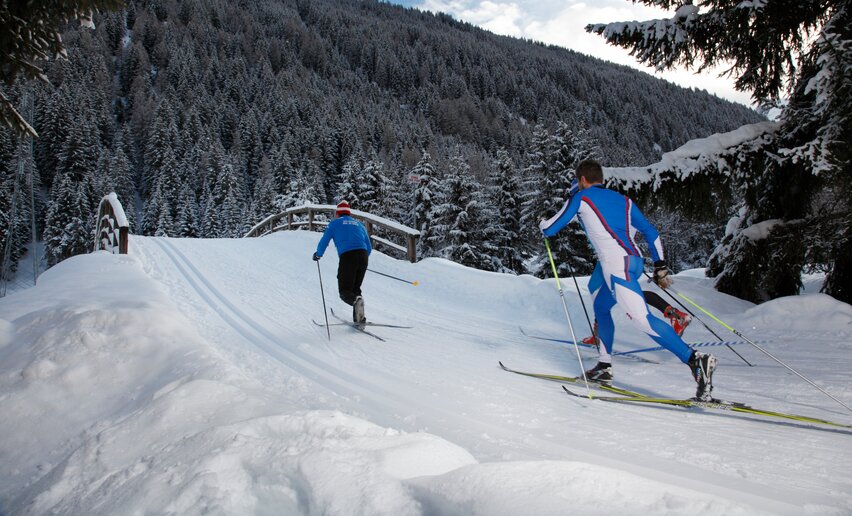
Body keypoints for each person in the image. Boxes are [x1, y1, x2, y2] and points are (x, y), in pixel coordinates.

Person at [539, 159, 716, 400]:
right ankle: (604, 365)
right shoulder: (625, 201)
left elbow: (550, 228)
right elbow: (651, 233)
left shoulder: (581, 198)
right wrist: (660, 265)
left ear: (582, 180)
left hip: (616, 265)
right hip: (634, 261)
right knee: (601, 305)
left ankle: (695, 360)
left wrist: (543, 222)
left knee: (643, 320)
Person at [313, 201, 372, 326]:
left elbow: (324, 241)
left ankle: (356, 303)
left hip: (348, 257)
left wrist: (318, 254)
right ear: (349, 213)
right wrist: (362, 259)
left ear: (338, 213)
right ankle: (359, 319)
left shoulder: (334, 224)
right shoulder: (359, 224)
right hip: (363, 256)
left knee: (345, 291)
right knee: (355, 289)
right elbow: (369, 247)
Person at [581, 292, 692, 344]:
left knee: (604, 297)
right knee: (633, 294)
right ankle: (675, 315)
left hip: (617, 260)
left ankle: (598, 336)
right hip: (627, 258)